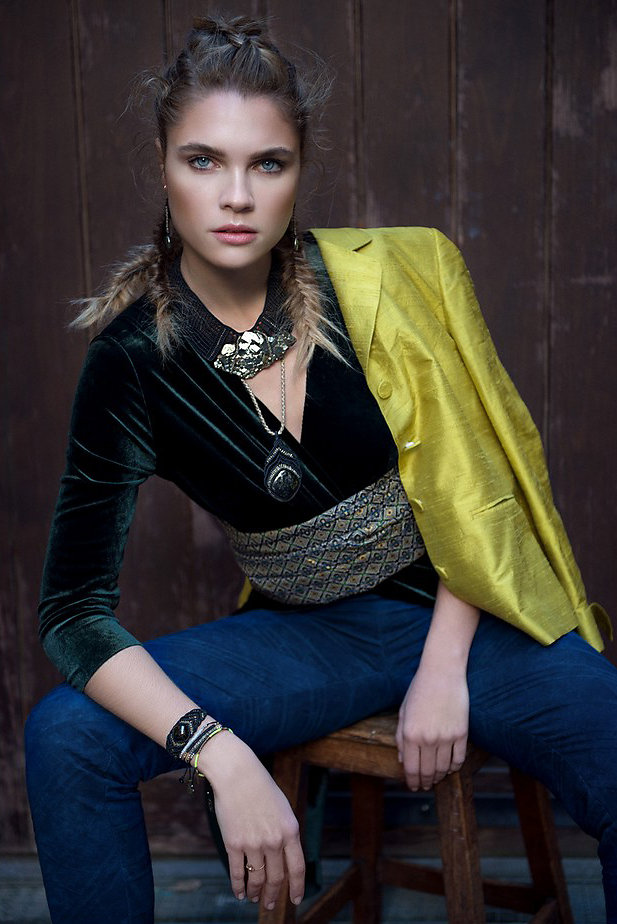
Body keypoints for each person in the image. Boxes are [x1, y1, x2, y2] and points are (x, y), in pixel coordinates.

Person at [24, 13, 617, 924]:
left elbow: (479, 477)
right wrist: (217, 752)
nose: (236, 196)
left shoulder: (391, 277)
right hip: (309, 638)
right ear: (162, 164)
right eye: (202, 160)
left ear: (299, 171)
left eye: (267, 164)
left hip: (464, 612)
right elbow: (72, 612)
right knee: (66, 736)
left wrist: (442, 668)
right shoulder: (133, 362)